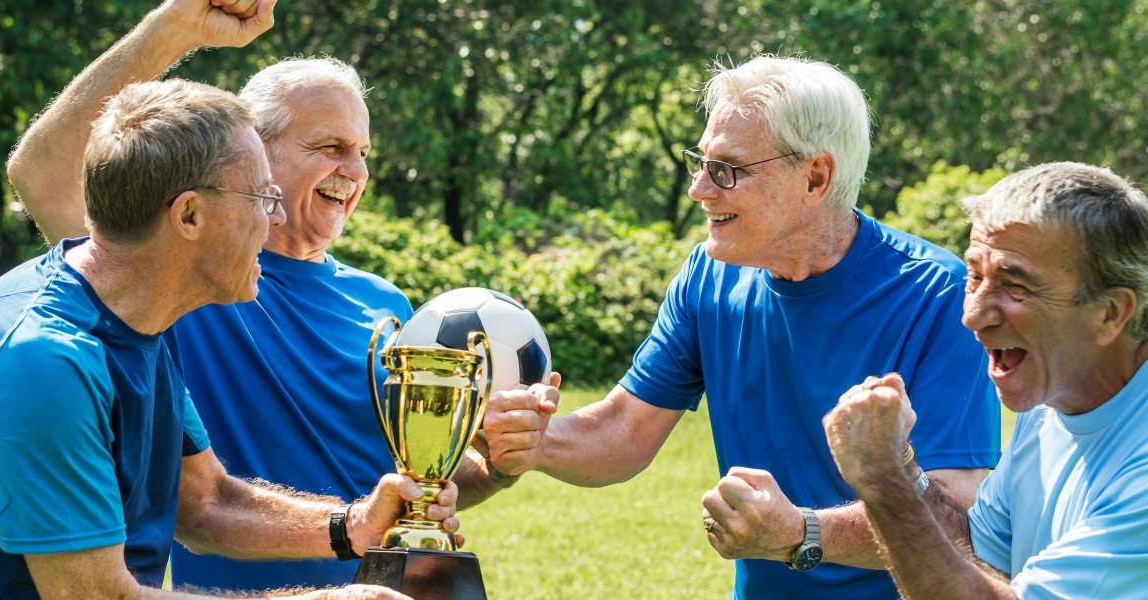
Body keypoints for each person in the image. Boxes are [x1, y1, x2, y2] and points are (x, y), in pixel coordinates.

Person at [7, 0, 557, 592]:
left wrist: (494, 464)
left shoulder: (387, 305)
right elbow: (42, 174)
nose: (355, 171)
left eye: (363, 152)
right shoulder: (187, 268)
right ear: (255, 150)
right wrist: (179, 27)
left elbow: (408, 492)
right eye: (330, 147)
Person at [483, 55, 1001, 599]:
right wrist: (534, 439)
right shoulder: (709, 276)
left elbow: (956, 519)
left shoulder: (938, 295)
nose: (699, 190)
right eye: (700, 163)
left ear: (816, 176)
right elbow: (624, 431)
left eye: (728, 169)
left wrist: (801, 533)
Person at [0, 77, 458, 600]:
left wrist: (353, 525)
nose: (276, 217)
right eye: (263, 197)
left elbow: (204, 500)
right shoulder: (42, 363)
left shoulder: (144, 316)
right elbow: (96, 596)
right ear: (189, 214)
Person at [825, 162, 1148, 599]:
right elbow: (980, 552)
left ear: (1111, 312)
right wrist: (901, 465)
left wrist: (882, 480)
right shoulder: (1051, 403)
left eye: (1015, 286)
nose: (972, 315)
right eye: (975, 276)